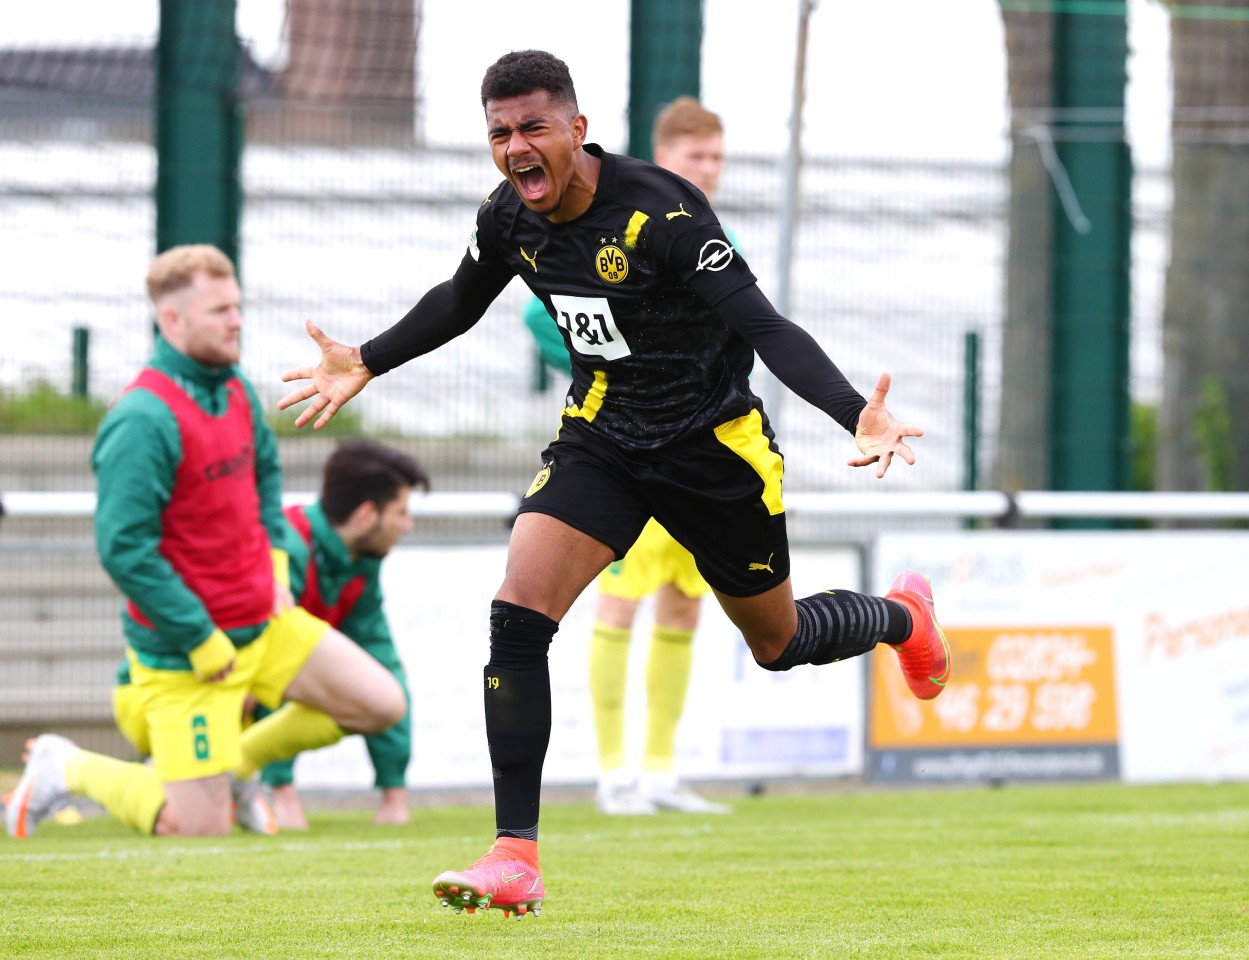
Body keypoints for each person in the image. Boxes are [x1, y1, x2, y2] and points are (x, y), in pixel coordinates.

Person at [277, 51, 951, 919]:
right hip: (601, 438)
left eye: (532, 128)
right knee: (517, 614)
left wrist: (855, 412)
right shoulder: (509, 217)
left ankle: (902, 619)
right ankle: (514, 854)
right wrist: (367, 358)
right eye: (500, 133)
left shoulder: (663, 213)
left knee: (777, 644)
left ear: (577, 130)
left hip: (712, 450)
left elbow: (762, 324)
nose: (516, 148)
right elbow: (460, 296)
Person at [4, 244, 407, 841]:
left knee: (381, 703)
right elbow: (125, 550)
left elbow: (266, 487)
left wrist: (273, 574)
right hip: (188, 656)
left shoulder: (238, 392)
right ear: (173, 321)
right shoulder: (142, 418)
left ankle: (237, 769)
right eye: (219, 309)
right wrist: (198, 639)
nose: (236, 321)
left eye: (237, 306)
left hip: (264, 626)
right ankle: (66, 765)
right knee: (198, 829)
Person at [524, 97, 735, 816]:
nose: (705, 170)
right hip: (626, 449)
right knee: (619, 602)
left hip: (703, 454)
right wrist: (610, 368)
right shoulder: (621, 221)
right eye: (693, 158)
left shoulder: (712, 233)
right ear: (661, 160)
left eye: (714, 158)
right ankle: (613, 773)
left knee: (682, 606)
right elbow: (536, 310)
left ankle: (660, 772)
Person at [260, 439, 430, 828]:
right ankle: (267, 788)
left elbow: (383, 665)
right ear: (368, 514)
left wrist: (394, 795)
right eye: (401, 512)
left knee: (376, 689)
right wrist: (282, 791)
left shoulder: (361, 563)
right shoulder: (289, 547)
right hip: (196, 684)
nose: (408, 525)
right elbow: (273, 669)